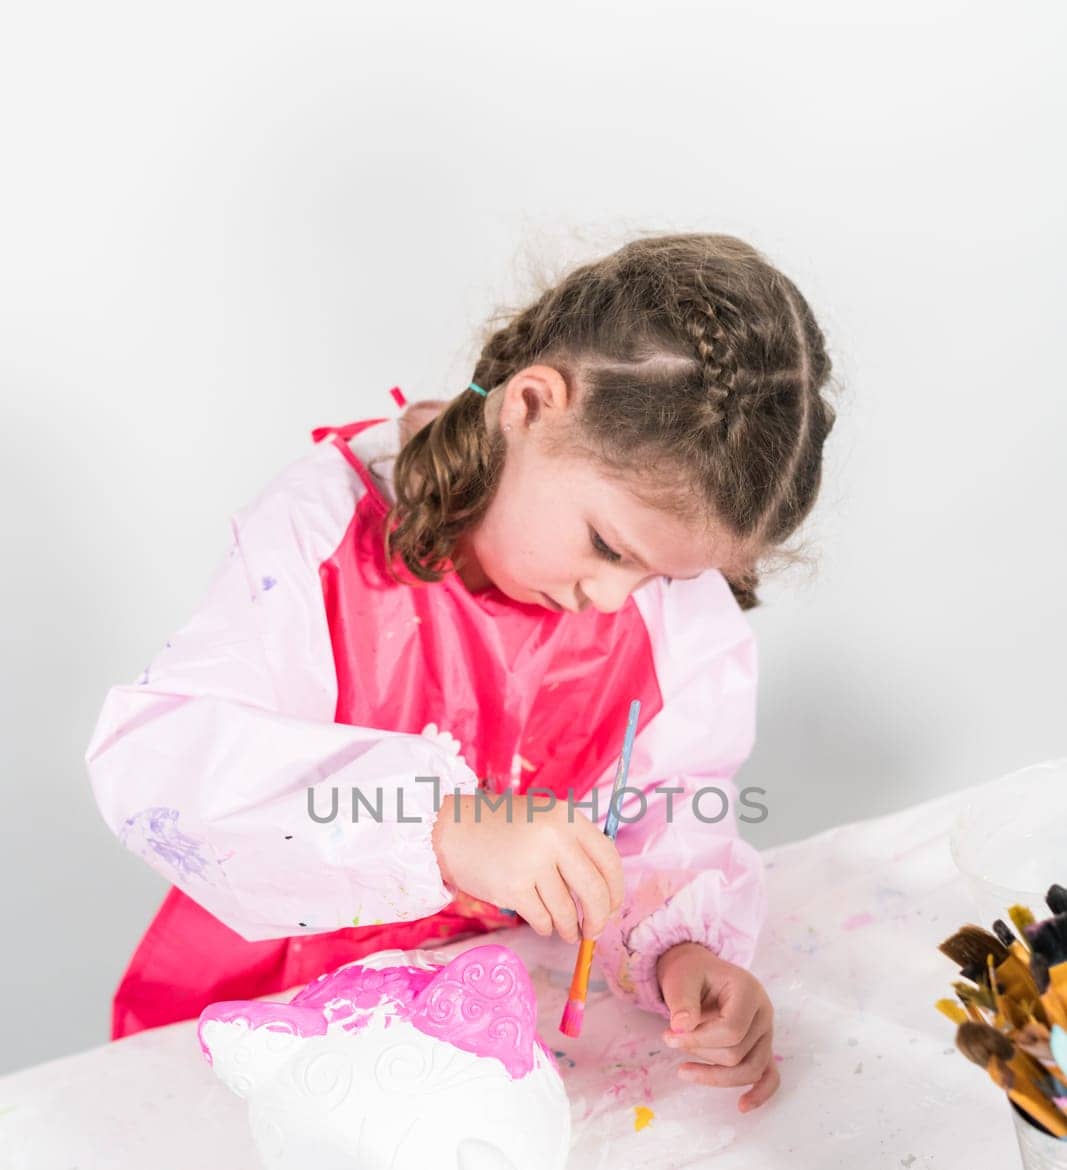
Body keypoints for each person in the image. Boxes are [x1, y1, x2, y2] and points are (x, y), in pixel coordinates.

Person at [85, 231, 836, 1111]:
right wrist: (438, 827)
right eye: (606, 546)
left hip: (483, 1033)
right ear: (531, 406)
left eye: (659, 575)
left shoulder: (667, 611)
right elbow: (156, 763)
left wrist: (683, 954)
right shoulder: (322, 534)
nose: (610, 597)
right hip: (271, 1016)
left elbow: (671, 812)